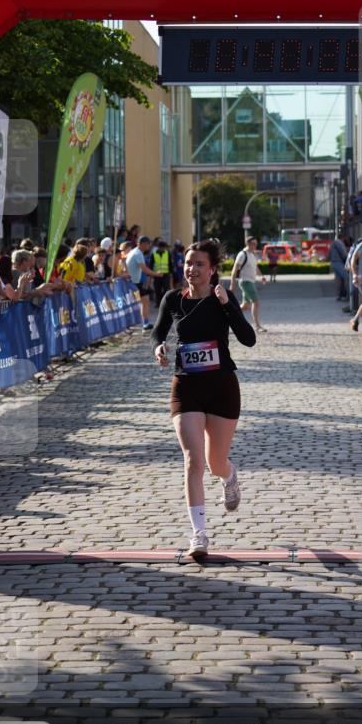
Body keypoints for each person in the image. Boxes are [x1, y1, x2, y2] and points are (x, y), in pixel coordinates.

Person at [152, 239, 256, 559]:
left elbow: (248, 339)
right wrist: (159, 346)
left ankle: (229, 476)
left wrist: (227, 304)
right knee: (193, 461)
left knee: (214, 463)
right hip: (186, 386)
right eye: (188, 263)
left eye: (199, 264)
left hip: (222, 386)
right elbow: (158, 331)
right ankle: (199, 535)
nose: (191, 269)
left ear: (212, 270)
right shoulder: (173, 298)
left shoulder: (221, 298)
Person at [230, 237, 268, 333]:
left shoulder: (252, 254)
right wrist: (232, 284)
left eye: (256, 244)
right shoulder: (242, 254)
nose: (255, 246)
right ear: (248, 244)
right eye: (254, 244)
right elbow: (234, 270)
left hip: (251, 281)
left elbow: (256, 268)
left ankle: (228, 315)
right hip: (245, 281)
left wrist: (262, 277)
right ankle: (257, 325)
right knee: (256, 302)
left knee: (245, 306)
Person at [125, 235, 163, 331]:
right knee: (143, 301)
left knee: (144, 301)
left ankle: (144, 323)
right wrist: (157, 274)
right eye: (147, 244)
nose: (148, 246)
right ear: (142, 244)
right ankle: (142, 324)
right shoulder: (138, 253)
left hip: (133, 281)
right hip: (133, 282)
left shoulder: (135, 251)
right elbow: (144, 269)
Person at [151, 239, 173, 306]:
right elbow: (151, 264)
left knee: (166, 289)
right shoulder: (154, 254)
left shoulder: (167, 253)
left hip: (166, 275)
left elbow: (170, 264)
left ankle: (164, 303)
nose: (163, 249)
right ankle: (158, 303)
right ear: (159, 247)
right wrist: (151, 274)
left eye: (164, 247)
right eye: (162, 247)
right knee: (157, 289)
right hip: (157, 275)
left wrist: (171, 273)